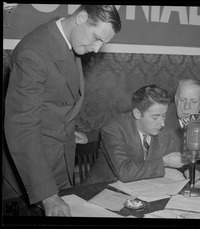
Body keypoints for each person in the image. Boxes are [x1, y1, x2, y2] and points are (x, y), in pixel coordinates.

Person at [3, 5, 121, 217]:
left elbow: (58, 101)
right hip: (32, 181)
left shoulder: (67, 41)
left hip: (60, 165)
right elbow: (22, 128)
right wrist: (48, 196)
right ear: (81, 17)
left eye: (103, 42)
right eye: (96, 38)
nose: (96, 48)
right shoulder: (34, 52)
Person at [93, 85, 185, 183]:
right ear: (137, 113)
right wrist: (164, 162)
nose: (162, 123)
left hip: (144, 189)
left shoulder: (167, 133)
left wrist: (189, 170)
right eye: (155, 117)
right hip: (103, 188)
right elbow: (125, 172)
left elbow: (176, 162)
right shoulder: (114, 129)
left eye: (164, 115)